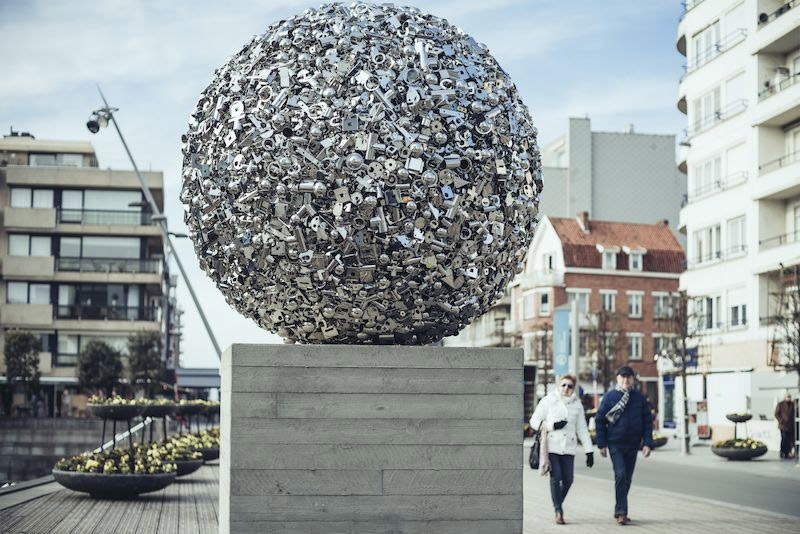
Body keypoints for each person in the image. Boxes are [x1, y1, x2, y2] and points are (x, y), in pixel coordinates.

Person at [529, 374, 594, 525]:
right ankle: (558, 510)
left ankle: (557, 503)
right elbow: (534, 421)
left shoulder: (577, 405)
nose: (566, 388)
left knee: (569, 480)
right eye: (563, 385)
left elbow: (582, 429)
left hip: (569, 448)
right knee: (555, 477)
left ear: (573, 388)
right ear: (559, 386)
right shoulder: (549, 400)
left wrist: (589, 451)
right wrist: (551, 426)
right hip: (551, 447)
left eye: (570, 386)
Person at [595, 366, 654, 526]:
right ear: (618, 379)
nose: (626, 380)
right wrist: (601, 444)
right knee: (620, 474)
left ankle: (619, 508)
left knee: (626, 478)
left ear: (633, 379)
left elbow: (648, 421)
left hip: (633, 444)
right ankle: (622, 512)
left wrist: (647, 443)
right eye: (623, 377)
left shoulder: (639, 398)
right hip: (615, 443)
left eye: (629, 377)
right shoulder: (610, 397)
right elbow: (599, 420)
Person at [775, 394, 796, 459]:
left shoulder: (793, 404)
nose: (789, 398)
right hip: (783, 426)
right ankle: (782, 452)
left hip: (791, 426)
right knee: (784, 439)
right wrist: (781, 421)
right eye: (787, 397)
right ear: (785, 397)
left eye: (789, 397)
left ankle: (787, 453)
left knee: (789, 440)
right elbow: (776, 414)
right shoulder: (780, 404)